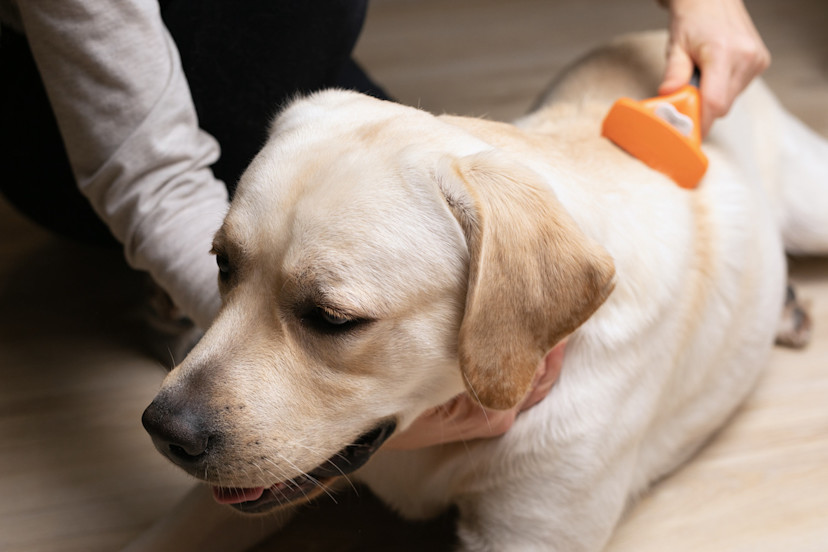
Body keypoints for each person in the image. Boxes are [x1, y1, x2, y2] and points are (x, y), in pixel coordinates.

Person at [0, 0, 769, 449]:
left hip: (290, 59)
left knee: (386, 182)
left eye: (328, 313)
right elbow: (155, 177)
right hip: (63, 120)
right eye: (226, 259)